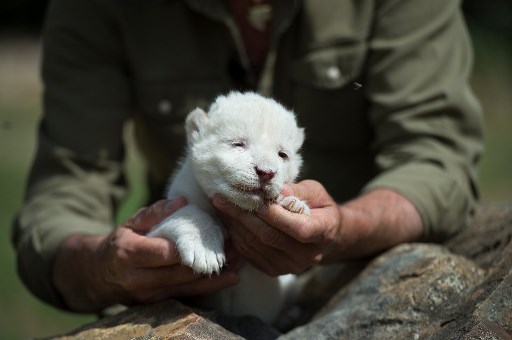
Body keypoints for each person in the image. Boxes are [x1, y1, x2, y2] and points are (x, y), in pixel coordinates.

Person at [12, 0, 483, 318]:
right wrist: (102, 267)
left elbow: (437, 153)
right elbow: (66, 184)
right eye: (237, 147)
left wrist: (344, 229)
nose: (264, 166)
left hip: (348, 280)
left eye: (281, 155)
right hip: (183, 301)